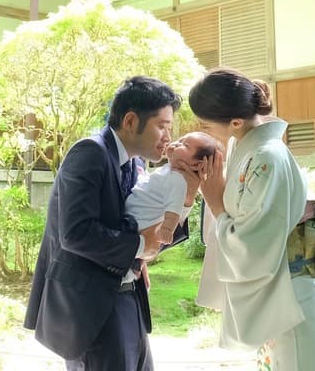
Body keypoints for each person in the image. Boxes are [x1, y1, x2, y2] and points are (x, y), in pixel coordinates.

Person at [25, 76, 191, 371]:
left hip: (128, 298)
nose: (168, 136)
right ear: (130, 121)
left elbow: (139, 225)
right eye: (162, 126)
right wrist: (139, 245)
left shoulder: (136, 163)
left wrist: (188, 192)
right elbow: (76, 233)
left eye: (170, 127)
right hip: (91, 310)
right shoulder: (89, 153)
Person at [189, 68, 315, 371]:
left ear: (235, 122)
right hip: (278, 299)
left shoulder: (267, 157)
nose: (202, 128)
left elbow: (253, 246)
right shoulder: (245, 149)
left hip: (295, 300)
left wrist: (217, 202)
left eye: (205, 123)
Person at [125, 131, 220, 245]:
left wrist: (167, 229)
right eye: (180, 140)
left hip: (140, 222)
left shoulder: (178, 180)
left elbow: (174, 208)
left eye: (185, 145)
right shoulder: (169, 170)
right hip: (135, 217)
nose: (177, 144)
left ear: (198, 164)